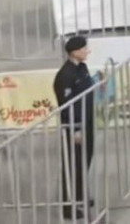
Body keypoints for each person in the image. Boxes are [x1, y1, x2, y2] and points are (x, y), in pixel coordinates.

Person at [53, 36, 95, 220]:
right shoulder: (65, 75)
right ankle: (68, 204)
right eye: (85, 48)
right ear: (75, 52)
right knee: (72, 163)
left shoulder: (81, 68)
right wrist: (74, 128)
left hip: (87, 121)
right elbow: (66, 104)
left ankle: (79, 196)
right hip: (74, 125)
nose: (88, 51)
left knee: (84, 160)